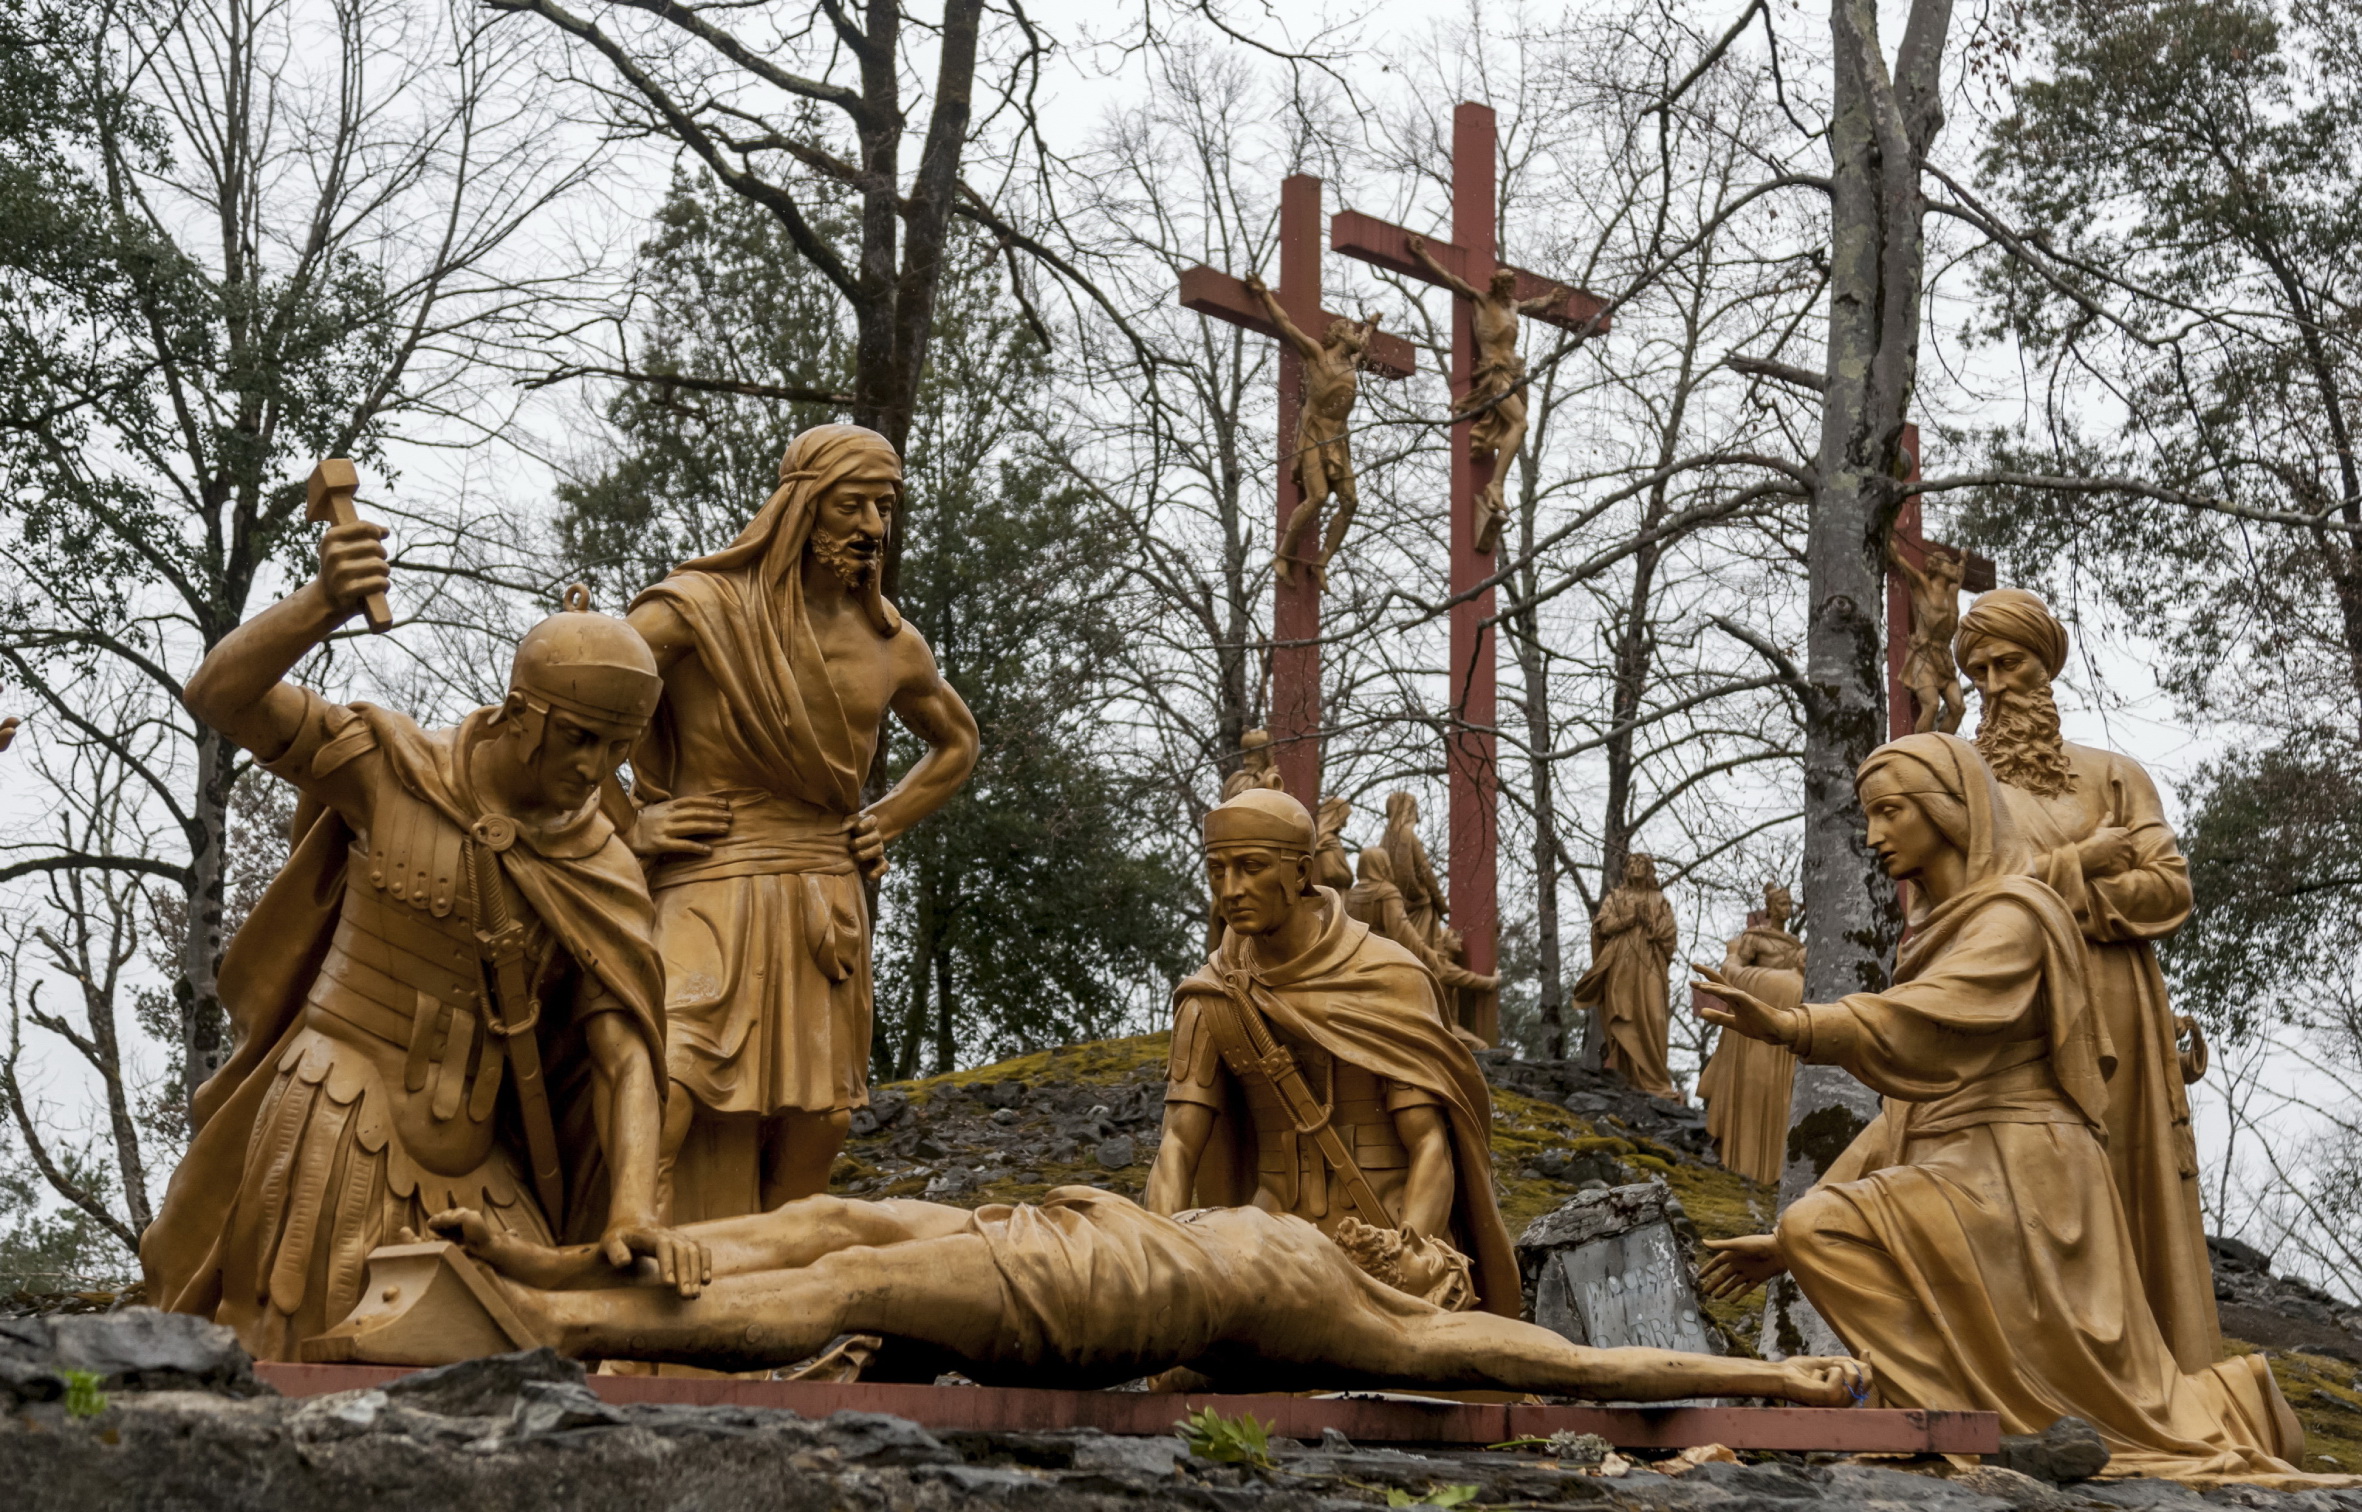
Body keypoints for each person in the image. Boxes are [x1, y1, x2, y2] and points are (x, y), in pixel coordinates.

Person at [142, 518, 689, 1360]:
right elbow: (221, 695)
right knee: (306, 1346)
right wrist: (321, 602)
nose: (595, 766)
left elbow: (624, 1058)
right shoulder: (390, 768)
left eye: (617, 746)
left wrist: (631, 1212)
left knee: (525, 1362)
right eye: (580, 736)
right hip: (338, 1115)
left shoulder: (604, 865)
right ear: (520, 712)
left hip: (481, 1166)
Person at [1691, 734, 2305, 1481]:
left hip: (2024, 1172)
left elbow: (1919, 1025)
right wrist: (1783, 1247)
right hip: (1963, 1163)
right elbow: (1904, 1116)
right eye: (1868, 818)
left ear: (1948, 812)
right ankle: (1965, 1422)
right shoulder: (1941, 935)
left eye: (1891, 813)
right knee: (1815, 1227)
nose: (1876, 836)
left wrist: (1796, 1026)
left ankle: (1966, 1426)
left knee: (1819, 1228)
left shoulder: (2016, 915)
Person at [330, 1190, 1870, 1407]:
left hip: (1093, 1294)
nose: (1415, 1251)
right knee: (823, 1214)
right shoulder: (1291, 1227)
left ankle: (550, 1327)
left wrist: (1764, 1383)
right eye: (1422, 1256)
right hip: (1076, 1226)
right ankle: (554, 1259)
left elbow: (1542, 1363)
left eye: (1429, 1260)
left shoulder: (1368, 1314)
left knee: (849, 1276)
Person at [624, 424, 980, 1220]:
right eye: (850, 505)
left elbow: (958, 744)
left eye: (883, 508)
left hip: (823, 897)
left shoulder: (892, 644)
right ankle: (624, 1267)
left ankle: (771, 1304)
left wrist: (885, 821)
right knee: (670, 1069)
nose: (871, 528)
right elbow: (577, 686)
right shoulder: (702, 609)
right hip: (710, 872)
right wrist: (632, 825)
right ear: (799, 508)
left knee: (820, 1116)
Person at [1953, 588, 2218, 1371]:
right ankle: (2040, 1371)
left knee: (2125, 1170)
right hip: (2013, 1004)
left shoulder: (2115, 777)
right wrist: (2088, 862)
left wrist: (2065, 889)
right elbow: (1962, 900)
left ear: (2047, 665)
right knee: (2024, 1184)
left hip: (2119, 1005)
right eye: (1980, 671)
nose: (1997, 685)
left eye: (2012, 663)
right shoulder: (1963, 784)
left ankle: (2156, 1372)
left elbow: (2170, 888)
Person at [1144, 789, 1521, 1317]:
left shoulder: (1390, 979)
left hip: (1385, 1236)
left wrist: (1409, 1260)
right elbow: (1178, 1146)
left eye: (1251, 867)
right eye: (1217, 870)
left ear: (1300, 873)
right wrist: (1160, 1253)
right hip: (1268, 1243)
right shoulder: (1213, 995)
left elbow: (1430, 1145)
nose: (1230, 890)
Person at [1407, 236, 1565, 554]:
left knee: (1518, 425)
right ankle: (1495, 483)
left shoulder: (1514, 305)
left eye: (1512, 287)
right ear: (1495, 286)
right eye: (1505, 287)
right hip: (1493, 374)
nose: (1509, 292)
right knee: (1519, 425)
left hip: (1515, 376)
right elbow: (1450, 278)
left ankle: (1496, 483)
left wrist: (1551, 298)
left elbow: (1534, 304)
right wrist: (1423, 255)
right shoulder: (1481, 300)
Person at [1246, 275, 1376, 590]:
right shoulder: (1317, 355)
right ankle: (1283, 555)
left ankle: (1321, 563)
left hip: (1339, 440)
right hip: (1315, 435)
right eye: (1352, 329)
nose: (1356, 333)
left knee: (1350, 502)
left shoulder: (1351, 364)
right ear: (1338, 334)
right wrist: (1265, 296)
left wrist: (1371, 325)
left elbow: (1364, 343)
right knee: (1317, 496)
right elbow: (1286, 324)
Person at [1695, 883, 1802, 1185]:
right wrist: (1774, 983)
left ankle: (1774, 1170)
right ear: (1769, 907)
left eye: (1788, 903)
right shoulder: (1754, 939)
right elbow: (1733, 973)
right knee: (1751, 1086)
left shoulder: (1796, 947)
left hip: (1782, 1033)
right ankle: (1740, 1161)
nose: (1785, 907)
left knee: (1778, 1094)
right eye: (1780, 903)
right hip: (1751, 1034)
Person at [1570, 852, 1681, 1101]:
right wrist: (1631, 918)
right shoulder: (1616, 897)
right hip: (1621, 965)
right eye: (1631, 864)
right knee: (1625, 1018)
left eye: (1641, 863)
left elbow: (1669, 937)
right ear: (1625, 871)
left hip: (1650, 963)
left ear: (1650, 870)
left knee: (1655, 1016)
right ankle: (1627, 1078)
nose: (1636, 867)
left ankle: (1657, 1081)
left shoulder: (1659, 900)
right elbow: (1603, 927)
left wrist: (1651, 926)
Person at [1888, 541, 1967, 734]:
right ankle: (1922, 749)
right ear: (1937, 566)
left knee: (1958, 708)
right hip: (1924, 657)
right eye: (1950, 564)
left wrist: (1963, 559)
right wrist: (1892, 548)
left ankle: (1942, 746)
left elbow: (1960, 574)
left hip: (1944, 659)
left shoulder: (1952, 593)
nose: (1954, 569)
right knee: (1931, 705)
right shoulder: (1924, 586)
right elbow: (1903, 564)